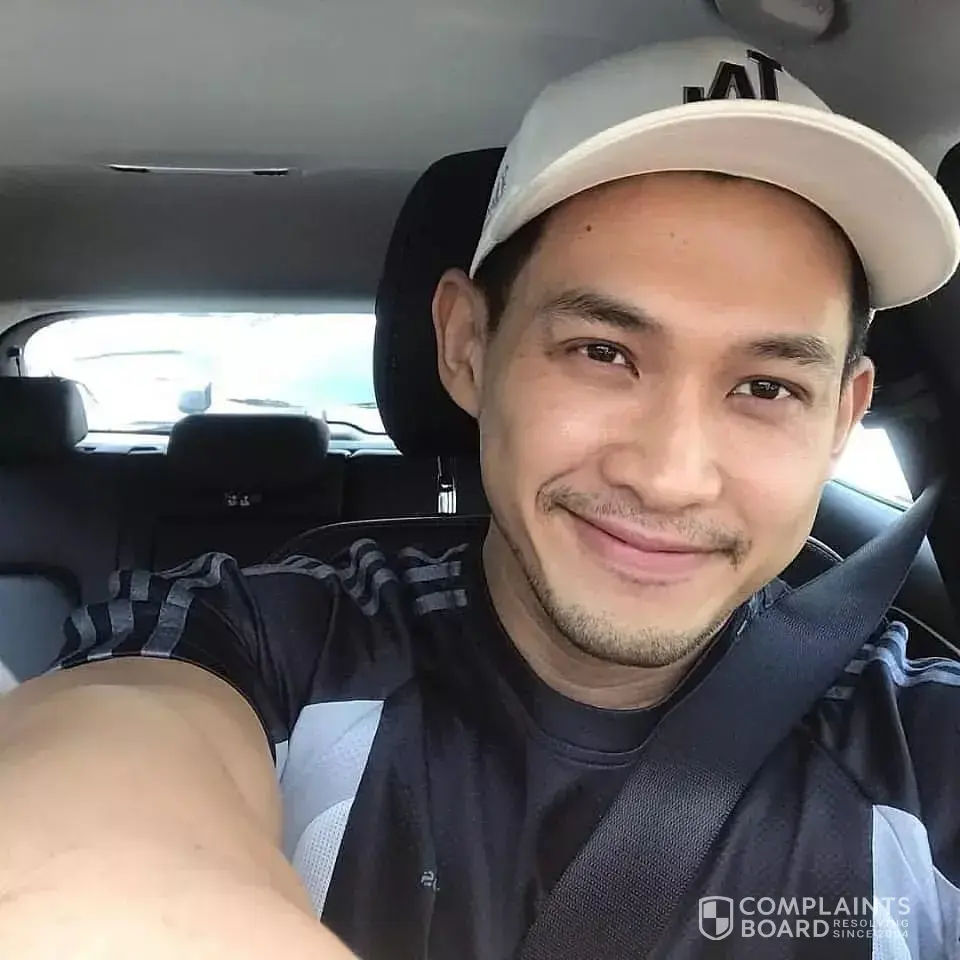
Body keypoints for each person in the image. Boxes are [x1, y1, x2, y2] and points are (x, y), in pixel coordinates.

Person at [1, 35, 959, 960]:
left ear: (843, 414)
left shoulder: (924, 737)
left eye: (767, 387)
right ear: (466, 346)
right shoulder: (260, 636)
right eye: (602, 352)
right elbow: (96, 790)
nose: (670, 474)